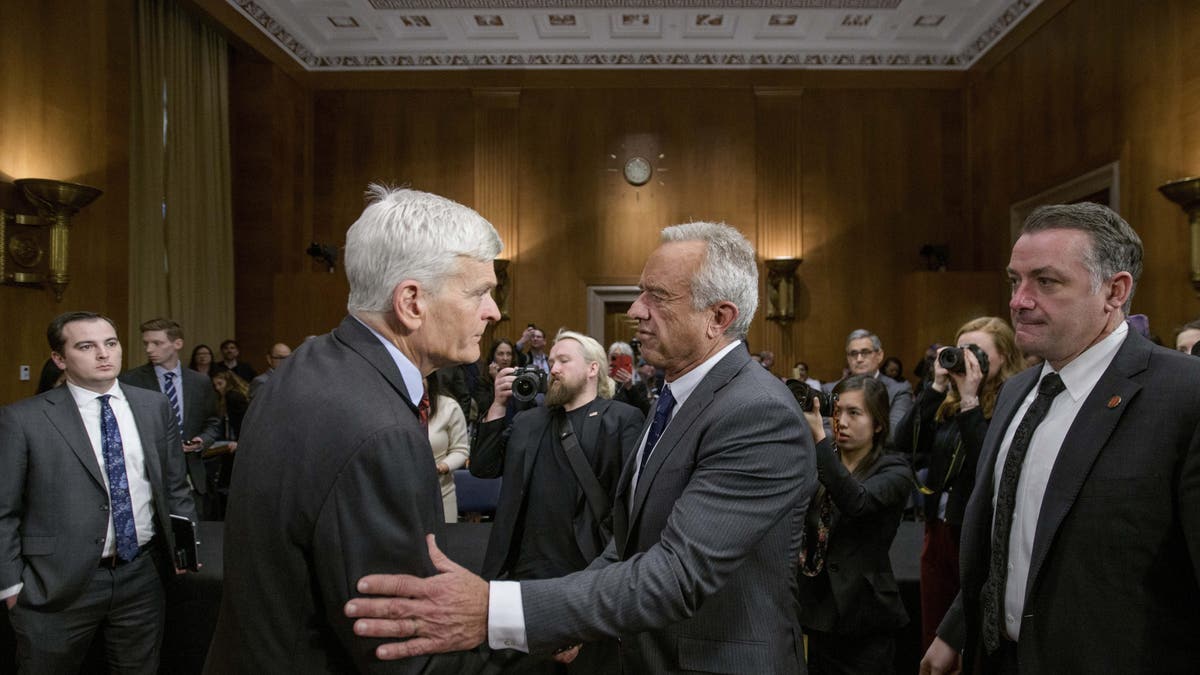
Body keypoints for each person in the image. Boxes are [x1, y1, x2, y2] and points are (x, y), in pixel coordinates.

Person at [344, 221, 817, 674]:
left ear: (719, 317)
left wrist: (497, 609)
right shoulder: (678, 397)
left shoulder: (757, 413)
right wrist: (562, 619)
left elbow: (676, 573)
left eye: (657, 295)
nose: (635, 310)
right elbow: (630, 544)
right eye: (639, 291)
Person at [203, 186, 500, 673]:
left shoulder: (307, 364)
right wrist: (527, 637)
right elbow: (400, 653)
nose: (492, 311)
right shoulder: (380, 431)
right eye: (479, 293)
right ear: (411, 302)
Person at [921, 202, 1200, 674]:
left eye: (1045, 282)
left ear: (1114, 291)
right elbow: (1009, 531)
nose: (1018, 300)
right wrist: (956, 630)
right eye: (1015, 281)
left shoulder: (1183, 395)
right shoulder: (1016, 391)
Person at [0, 311, 197, 672]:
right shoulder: (23, 419)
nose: (104, 354)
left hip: (142, 574)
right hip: (54, 583)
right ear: (59, 359)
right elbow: (3, 510)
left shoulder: (153, 406)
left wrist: (183, 548)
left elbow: (173, 484)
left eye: (111, 343)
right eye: (87, 346)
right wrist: (10, 585)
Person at [472, 330, 643, 673]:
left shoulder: (621, 419)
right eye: (551, 362)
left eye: (564, 360)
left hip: (583, 571)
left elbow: (628, 509)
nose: (554, 368)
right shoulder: (527, 420)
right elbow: (483, 467)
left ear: (593, 369)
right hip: (523, 571)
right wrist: (498, 404)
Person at [893, 316, 1022, 651]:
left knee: (966, 635)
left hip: (976, 534)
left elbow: (987, 463)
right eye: (960, 349)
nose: (966, 358)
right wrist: (936, 386)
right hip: (938, 528)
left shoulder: (1012, 403)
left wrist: (970, 402)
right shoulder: (946, 403)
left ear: (1004, 357)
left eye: (976, 351)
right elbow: (905, 440)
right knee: (933, 628)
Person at [797, 375, 910, 674]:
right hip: (815, 610)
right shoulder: (818, 458)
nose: (841, 421)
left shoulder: (895, 469)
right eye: (837, 410)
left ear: (879, 423)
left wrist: (819, 441)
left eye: (854, 413)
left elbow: (856, 502)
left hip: (864, 616)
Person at [120, 318, 222, 519]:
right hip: (147, 473)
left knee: (192, 537)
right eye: (146, 343)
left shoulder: (199, 381)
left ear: (177, 344)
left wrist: (202, 440)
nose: (149, 349)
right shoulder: (130, 381)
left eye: (157, 343)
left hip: (191, 472)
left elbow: (213, 422)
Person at [823, 329, 913, 442]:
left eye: (865, 352)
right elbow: (822, 433)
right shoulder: (830, 390)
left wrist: (847, 434)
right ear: (848, 358)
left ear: (879, 355)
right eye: (854, 354)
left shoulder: (898, 390)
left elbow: (894, 434)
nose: (859, 359)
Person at [427, 374, 470, 524]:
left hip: (441, 493)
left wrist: (442, 467)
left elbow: (461, 450)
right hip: (400, 498)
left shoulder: (448, 407)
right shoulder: (394, 406)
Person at [473, 338, 518, 423]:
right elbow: (484, 406)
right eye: (500, 354)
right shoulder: (482, 380)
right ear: (493, 357)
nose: (505, 358)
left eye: (509, 354)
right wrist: (496, 379)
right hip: (494, 425)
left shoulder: (517, 377)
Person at [607, 340, 650, 416]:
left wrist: (630, 387)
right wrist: (605, 379)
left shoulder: (638, 384)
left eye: (623, 358)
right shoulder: (602, 383)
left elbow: (645, 411)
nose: (618, 362)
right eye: (614, 357)